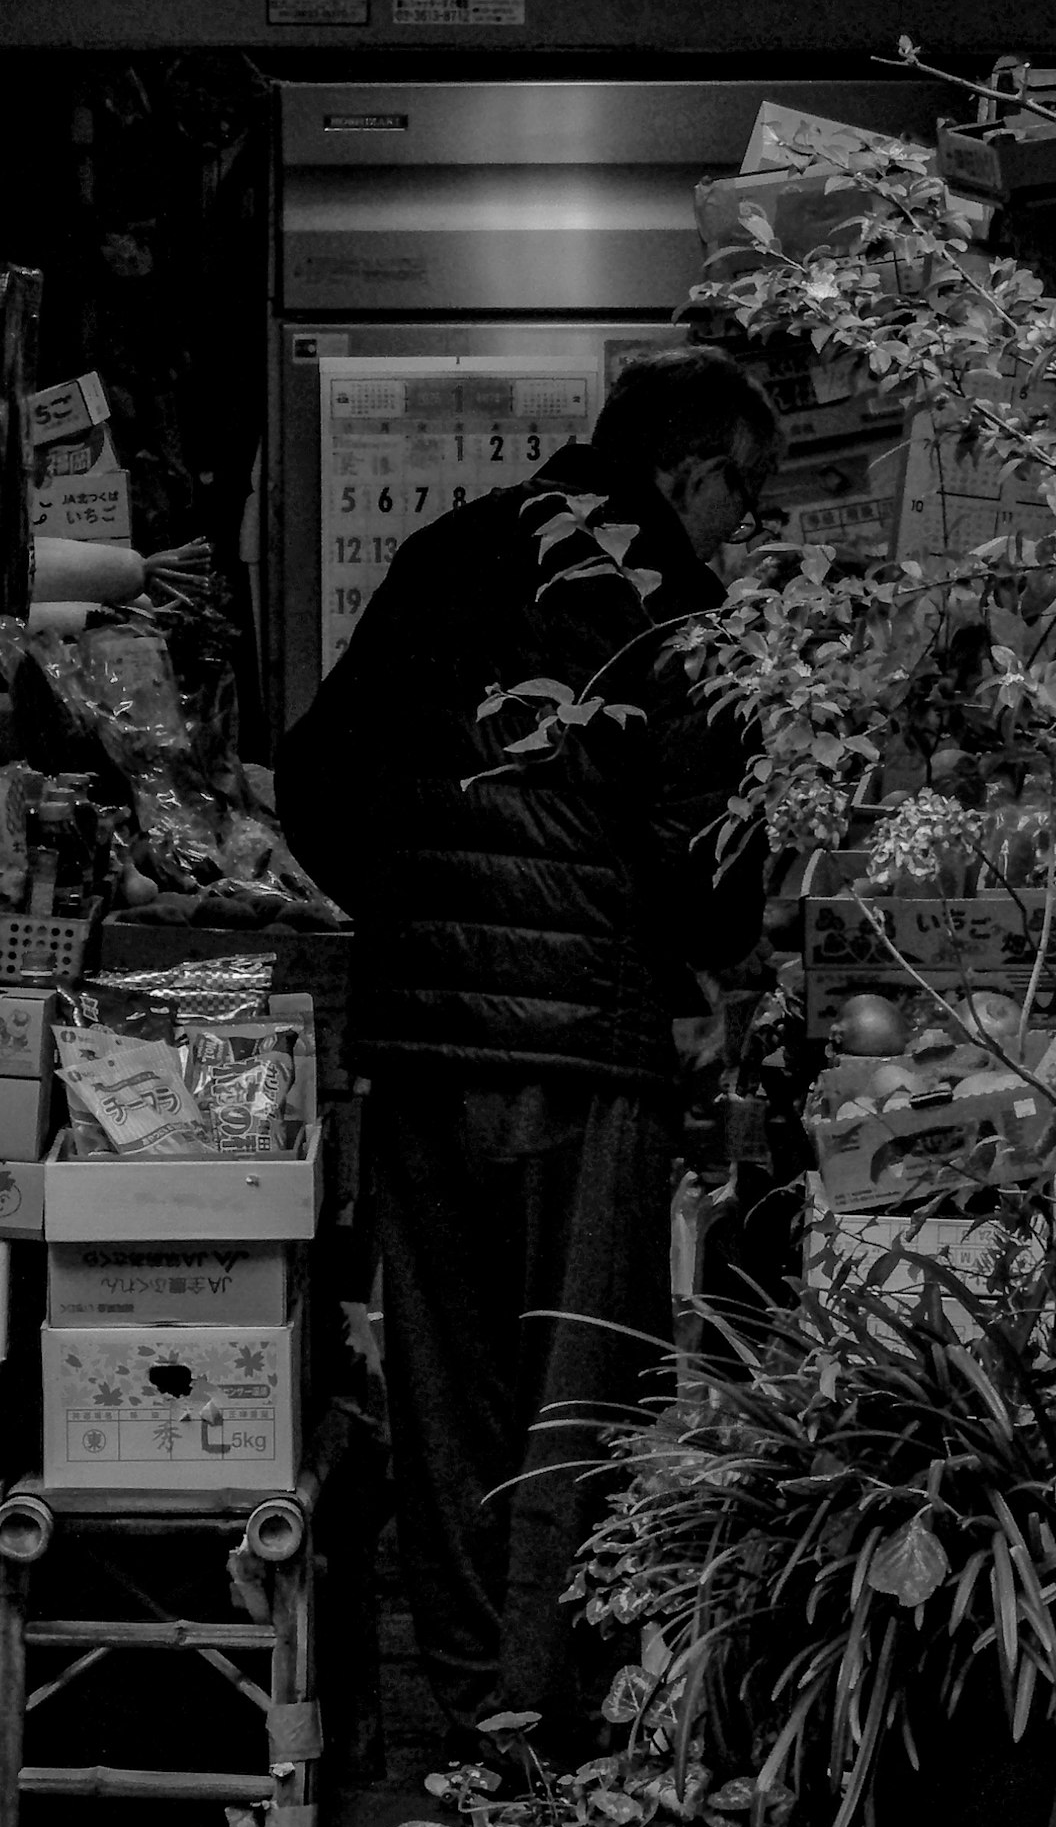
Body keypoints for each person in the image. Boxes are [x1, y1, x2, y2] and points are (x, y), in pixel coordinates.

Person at [280, 348, 779, 1751]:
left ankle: (463, 1720)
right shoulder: (685, 615)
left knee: (448, 1387)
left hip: (427, 1051)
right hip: (589, 1061)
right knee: (582, 1390)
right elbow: (714, 880)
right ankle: (546, 1718)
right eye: (750, 492)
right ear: (691, 470)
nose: (747, 525)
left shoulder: (452, 553)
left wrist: (429, 919)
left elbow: (315, 779)